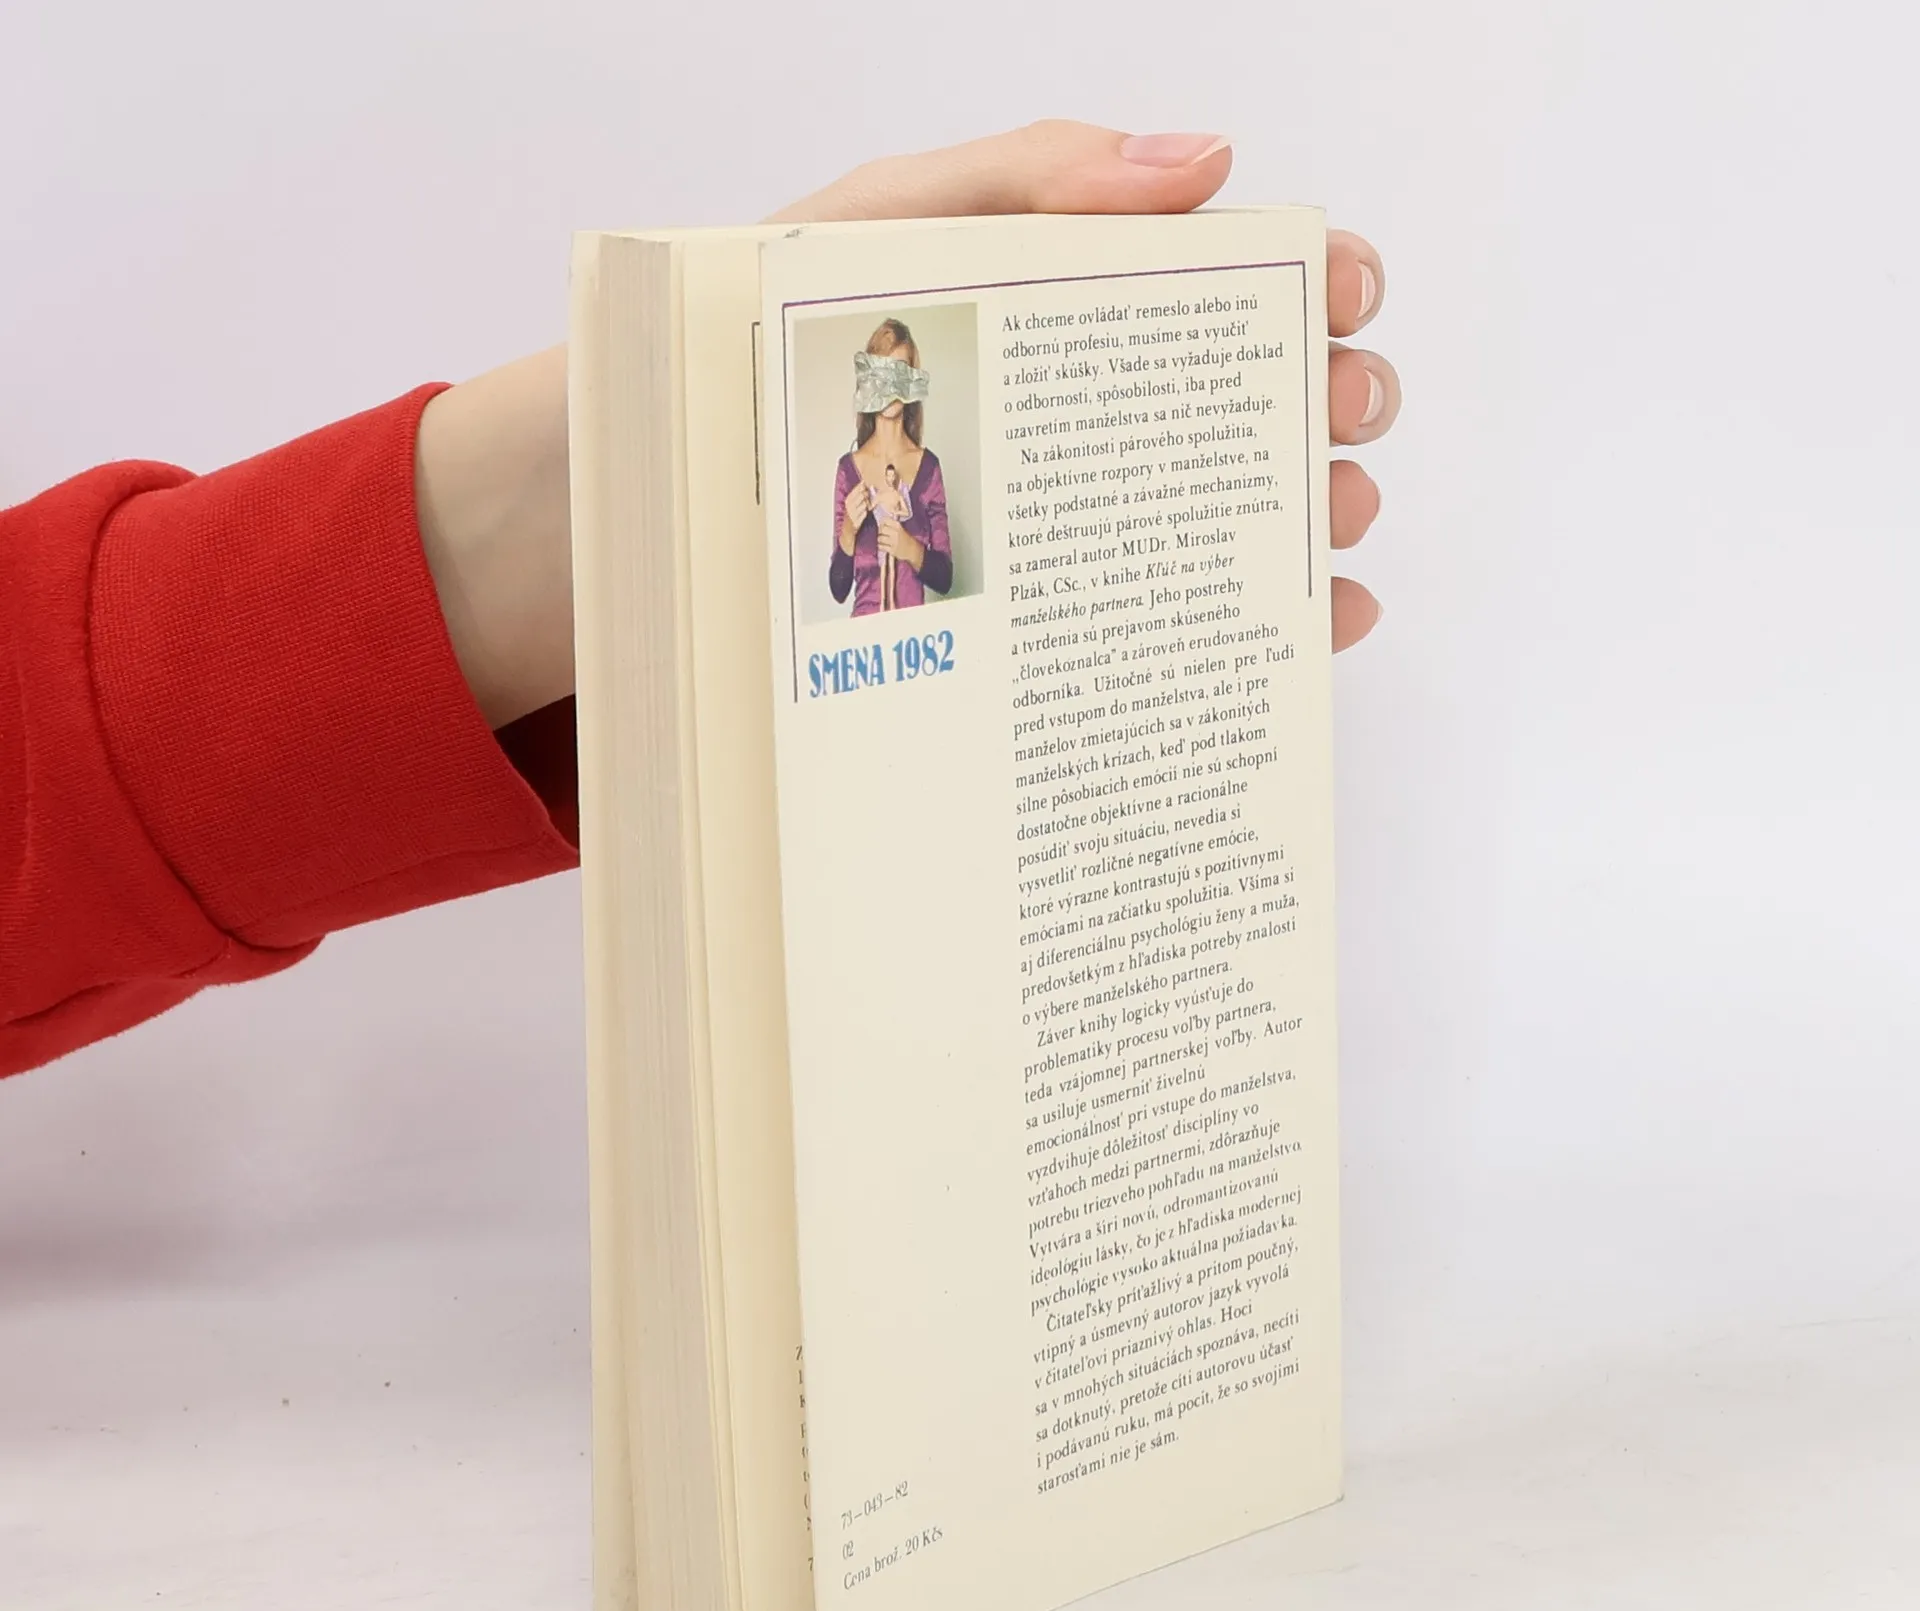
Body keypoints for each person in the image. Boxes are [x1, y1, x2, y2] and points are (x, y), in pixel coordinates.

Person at [0, 121, 1400, 1082]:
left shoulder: (913, 474)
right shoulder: (865, 476)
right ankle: (601, 492)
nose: (891, 408)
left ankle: (599, 492)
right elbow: (859, 558)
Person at [831, 319, 953, 616]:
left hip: (915, 635)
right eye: (882, 375)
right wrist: (848, 530)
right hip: (864, 634)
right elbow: (838, 589)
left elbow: (945, 579)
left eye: (900, 372)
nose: (891, 388)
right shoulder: (848, 470)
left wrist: (910, 549)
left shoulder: (929, 468)